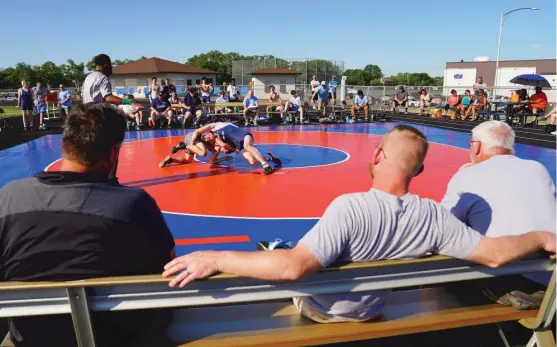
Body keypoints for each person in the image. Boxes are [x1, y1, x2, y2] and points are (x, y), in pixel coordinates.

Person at [162, 124, 555, 324]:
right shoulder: (433, 216)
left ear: (379, 154)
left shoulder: (349, 208)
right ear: (419, 169)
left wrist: (214, 257)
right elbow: (495, 253)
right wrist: (540, 236)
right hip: (377, 306)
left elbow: (292, 269)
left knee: (283, 252)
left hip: (326, 309)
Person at [0, 103, 175, 347]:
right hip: (115, 338)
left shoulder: (9, 198)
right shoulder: (133, 206)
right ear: (113, 154)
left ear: (65, 145)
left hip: (29, 339)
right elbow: (166, 270)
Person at [441, 120, 556, 286]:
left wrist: (461, 175)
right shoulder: (538, 169)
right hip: (549, 276)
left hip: (509, 277)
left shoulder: (467, 176)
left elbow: (445, 224)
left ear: (477, 146)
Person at [183, 122, 281, 175]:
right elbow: (225, 147)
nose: (206, 138)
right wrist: (233, 150)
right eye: (206, 139)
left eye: (206, 136)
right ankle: (269, 157)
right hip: (238, 146)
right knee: (252, 162)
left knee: (247, 146)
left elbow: (197, 131)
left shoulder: (215, 126)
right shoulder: (218, 141)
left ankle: (265, 165)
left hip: (244, 136)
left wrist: (192, 144)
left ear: (208, 132)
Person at [158, 131, 233, 168]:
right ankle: (183, 146)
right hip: (194, 137)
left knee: (188, 161)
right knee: (203, 153)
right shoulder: (217, 140)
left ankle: (171, 160)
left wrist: (224, 158)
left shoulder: (217, 150)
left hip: (193, 143)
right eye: (223, 149)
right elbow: (207, 134)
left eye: (223, 152)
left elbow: (211, 162)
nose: (221, 150)